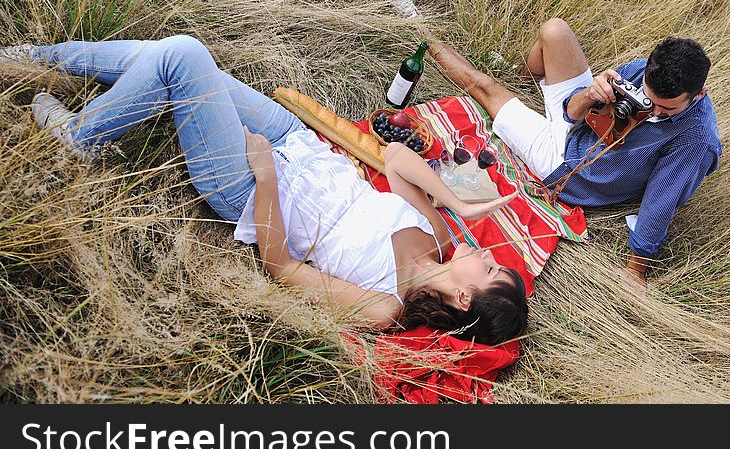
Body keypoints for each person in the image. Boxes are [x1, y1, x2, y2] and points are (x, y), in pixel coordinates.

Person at [0, 36, 527, 345]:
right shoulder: (436, 236)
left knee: (183, 57)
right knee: (170, 55)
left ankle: (80, 138)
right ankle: (38, 57)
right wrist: (454, 202)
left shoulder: (383, 307)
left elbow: (283, 266)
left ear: (464, 297)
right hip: (295, 142)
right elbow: (393, 158)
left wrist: (267, 178)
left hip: (251, 185)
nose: (484, 253)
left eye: (488, 269)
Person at [384, 0, 721, 287]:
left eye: (667, 110)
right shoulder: (647, 72)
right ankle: (521, 77)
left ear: (700, 94)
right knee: (554, 31)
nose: (654, 111)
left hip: (565, 163)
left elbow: (659, 204)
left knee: (483, 86)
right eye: (648, 100)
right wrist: (591, 93)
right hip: (581, 123)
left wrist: (636, 269)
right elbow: (571, 112)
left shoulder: (695, 141)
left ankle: (416, 25)